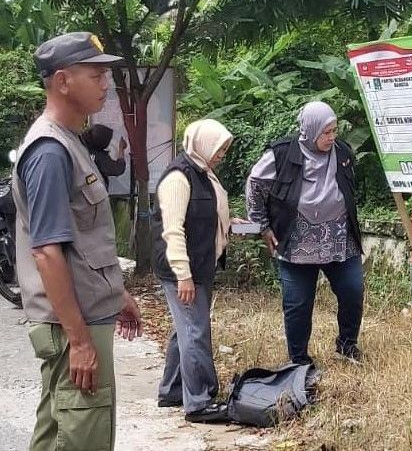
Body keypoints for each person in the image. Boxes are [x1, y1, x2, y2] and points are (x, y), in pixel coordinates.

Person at [11, 32, 143, 451]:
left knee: (58, 434)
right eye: (97, 74)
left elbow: (84, 240)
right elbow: (47, 251)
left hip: (85, 315)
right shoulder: (51, 150)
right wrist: (81, 341)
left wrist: (116, 292)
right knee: (80, 438)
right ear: (63, 81)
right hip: (74, 325)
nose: (106, 83)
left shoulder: (70, 143)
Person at [246, 101, 364, 366]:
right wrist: (262, 225)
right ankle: (299, 360)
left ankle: (347, 346)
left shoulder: (342, 152)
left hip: (339, 240)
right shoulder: (283, 153)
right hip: (297, 243)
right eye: (326, 132)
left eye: (334, 130)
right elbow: (255, 184)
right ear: (310, 130)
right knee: (298, 303)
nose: (332, 137)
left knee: (353, 291)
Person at [152, 118, 245, 423]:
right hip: (183, 268)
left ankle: (173, 389)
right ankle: (200, 402)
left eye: (225, 148)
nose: (223, 154)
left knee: (187, 329)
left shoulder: (204, 173)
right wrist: (184, 275)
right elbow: (173, 231)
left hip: (200, 264)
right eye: (219, 148)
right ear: (203, 144)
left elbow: (207, 214)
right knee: (195, 330)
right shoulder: (179, 178)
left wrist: (231, 224)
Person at [81, 124, 127, 189]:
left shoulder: (79, 142)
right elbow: (118, 169)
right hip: (92, 193)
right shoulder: (96, 156)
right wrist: (121, 149)